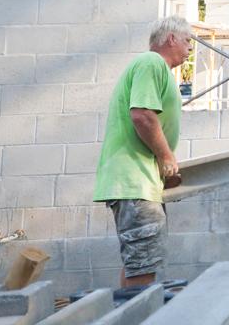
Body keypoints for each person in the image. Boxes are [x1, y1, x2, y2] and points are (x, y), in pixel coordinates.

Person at [92, 15, 192, 287]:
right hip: (135, 180)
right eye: (187, 41)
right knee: (143, 268)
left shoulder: (154, 68)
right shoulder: (152, 62)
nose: (190, 49)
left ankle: (130, 313)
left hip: (140, 181)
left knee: (139, 264)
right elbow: (142, 115)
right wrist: (166, 157)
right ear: (171, 39)